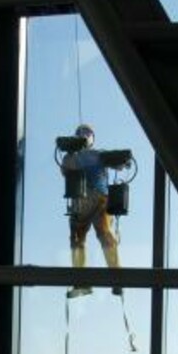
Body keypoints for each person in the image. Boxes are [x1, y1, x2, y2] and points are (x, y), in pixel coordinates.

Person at [61, 124, 124, 298]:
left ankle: (117, 276)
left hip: (100, 199)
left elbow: (119, 165)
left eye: (88, 133)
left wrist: (120, 160)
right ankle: (82, 282)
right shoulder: (71, 158)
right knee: (76, 239)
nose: (84, 134)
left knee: (105, 233)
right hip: (80, 202)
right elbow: (65, 171)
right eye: (80, 133)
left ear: (92, 138)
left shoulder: (99, 154)